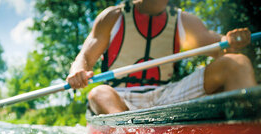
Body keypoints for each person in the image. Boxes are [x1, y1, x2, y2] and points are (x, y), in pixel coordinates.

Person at [66, 0, 257, 115]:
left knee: (237, 63)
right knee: (98, 93)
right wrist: (77, 71)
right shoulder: (112, 17)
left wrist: (230, 41)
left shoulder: (184, 21)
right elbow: (85, 57)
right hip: (120, 97)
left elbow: (221, 48)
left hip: (166, 95)